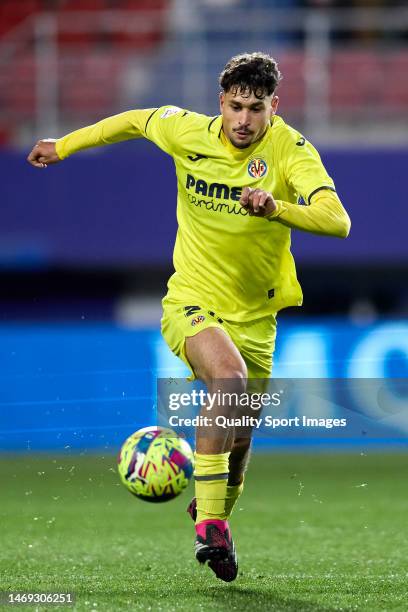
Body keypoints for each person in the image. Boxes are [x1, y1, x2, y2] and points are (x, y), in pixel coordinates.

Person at [27, 52, 350, 583]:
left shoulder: (292, 151)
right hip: (192, 298)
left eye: (257, 108)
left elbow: (338, 221)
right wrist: (64, 145)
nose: (244, 120)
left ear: (276, 106)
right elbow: (132, 121)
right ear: (220, 102)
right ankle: (212, 527)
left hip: (257, 315)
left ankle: (211, 511)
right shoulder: (186, 131)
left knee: (241, 440)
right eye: (236, 106)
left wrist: (277, 208)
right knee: (229, 378)